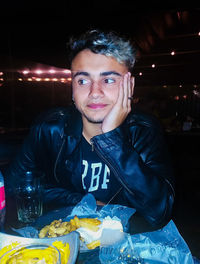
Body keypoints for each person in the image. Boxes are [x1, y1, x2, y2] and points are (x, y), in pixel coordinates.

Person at [5, 29, 175, 227]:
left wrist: (113, 139)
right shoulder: (50, 128)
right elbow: (13, 184)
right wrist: (86, 202)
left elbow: (160, 212)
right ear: (72, 87)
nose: (95, 92)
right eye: (83, 80)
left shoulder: (143, 130)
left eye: (109, 80)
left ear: (131, 86)